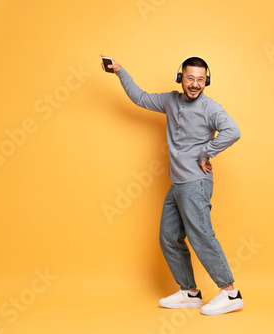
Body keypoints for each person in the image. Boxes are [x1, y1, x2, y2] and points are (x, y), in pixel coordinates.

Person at [101, 55, 243, 316]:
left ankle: (230, 292)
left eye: (201, 79)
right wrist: (120, 71)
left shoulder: (210, 107)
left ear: (206, 81)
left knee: (201, 235)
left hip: (195, 183)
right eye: (190, 78)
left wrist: (205, 153)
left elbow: (233, 131)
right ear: (181, 78)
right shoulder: (170, 100)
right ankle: (190, 292)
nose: (195, 84)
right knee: (169, 237)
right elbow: (140, 98)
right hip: (177, 183)